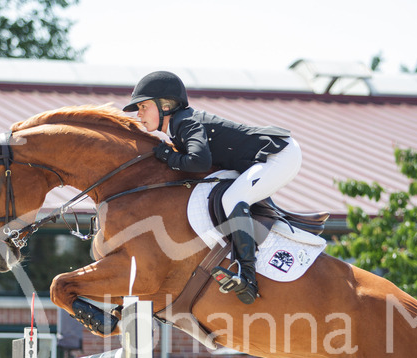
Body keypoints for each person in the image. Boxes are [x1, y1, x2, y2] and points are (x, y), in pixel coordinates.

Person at [124, 70, 303, 305]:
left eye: (143, 107)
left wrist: (169, 156)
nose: (139, 114)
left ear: (165, 106)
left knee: (232, 198)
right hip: (262, 159)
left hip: (280, 155)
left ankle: (248, 275)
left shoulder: (185, 122)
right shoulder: (178, 127)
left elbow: (200, 161)